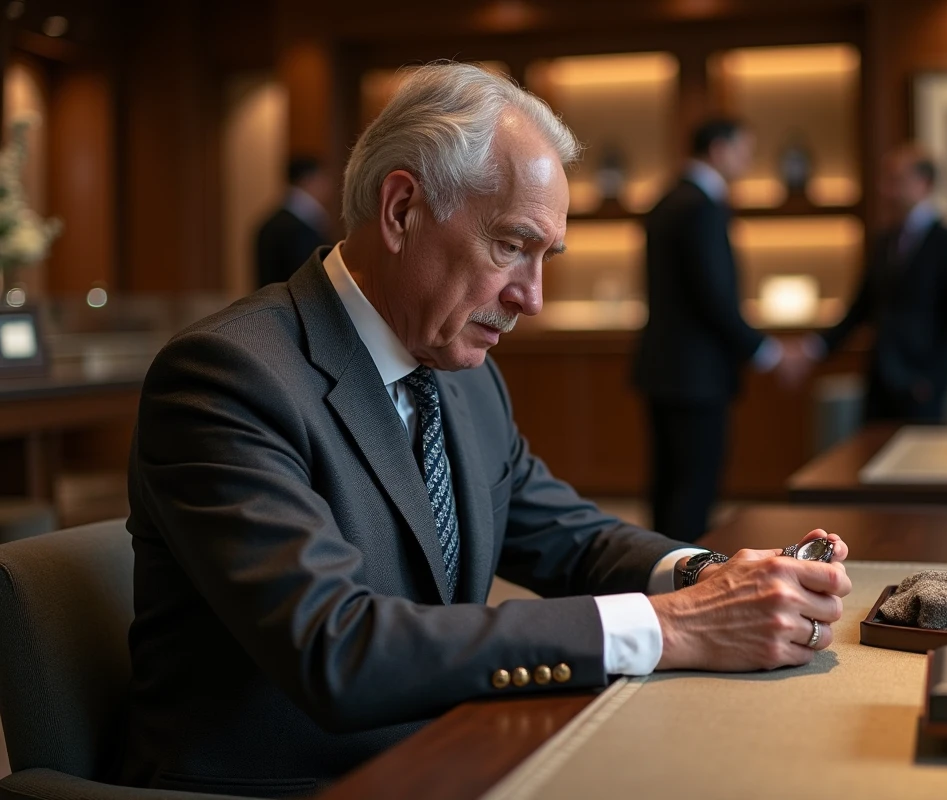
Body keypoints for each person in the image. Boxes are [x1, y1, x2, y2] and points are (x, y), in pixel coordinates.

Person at [121, 64, 852, 795]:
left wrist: (708, 574)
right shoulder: (227, 377)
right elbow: (337, 649)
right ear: (402, 209)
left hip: (454, 757)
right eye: (511, 246)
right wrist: (675, 626)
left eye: (545, 258)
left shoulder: (462, 375)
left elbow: (573, 539)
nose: (530, 298)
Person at [633, 119, 805, 543]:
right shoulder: (701, 206)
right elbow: (714, 299)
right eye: (743, 150)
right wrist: (768, 353)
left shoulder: (667, 199)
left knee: (669, 486)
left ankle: (660, 576)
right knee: (693, 491)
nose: (747, 161)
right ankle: (685, 585)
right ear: (718, 149)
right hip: (697, 376)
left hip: (665, 368)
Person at [793, 144, 947, 421]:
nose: (885, 190)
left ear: (924, 184)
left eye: (895, 180)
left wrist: (932, 379)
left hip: (921, 386)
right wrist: (812, 349)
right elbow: (860, 309)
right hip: (879, 381)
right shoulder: (884, 243)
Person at [255, 155, 335, 287]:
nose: (327, 185)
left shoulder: (270, 222)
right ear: (308, 180)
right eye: (323, 177)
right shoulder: (299, 226)